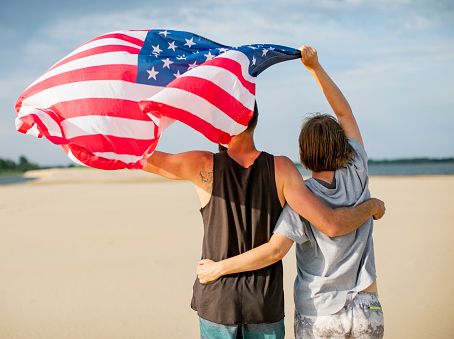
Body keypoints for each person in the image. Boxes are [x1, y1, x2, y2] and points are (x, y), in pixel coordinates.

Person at [143, 46, 385, 339]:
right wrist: (314, 68)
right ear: (253, 119)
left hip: (228, 302)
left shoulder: (203, 165)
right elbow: (344, 113)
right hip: (280, 303)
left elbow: (145, 157)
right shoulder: (288, 171)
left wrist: (111, 133)